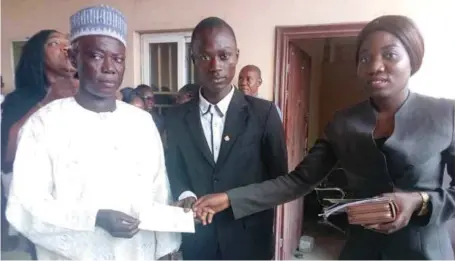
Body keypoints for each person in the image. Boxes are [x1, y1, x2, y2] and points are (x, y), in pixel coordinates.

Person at [194, 15, 455, 260]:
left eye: (390, 55)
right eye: (365, 58)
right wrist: (230, 198)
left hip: (426, 252)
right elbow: (296, 182)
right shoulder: (343, 123)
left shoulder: (445, 114)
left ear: (413, 59)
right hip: (361, 252)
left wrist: (421, 202)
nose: (375, 66)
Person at [6, 5, 180, 260]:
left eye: (118, 58)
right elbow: (25, 206)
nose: (109, 67)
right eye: (97, 56)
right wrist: (94, 219)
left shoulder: (142, 123)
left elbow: (159, 192)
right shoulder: (44, 125)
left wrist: (167, 249)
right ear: (74, 57)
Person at [165, 17, 288, 260]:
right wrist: (185, 196)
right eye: (204, 57)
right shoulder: (176, 118)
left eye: (224, 56)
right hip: (198, 241)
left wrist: (232, 200)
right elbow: (174, 169)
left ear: (236, 56)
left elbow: (280, 184)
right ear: (193, 61)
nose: (215, 66)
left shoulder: (264, 114)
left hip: (248, 241)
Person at [1, 29, 78, 256]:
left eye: (69, 43)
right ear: (37, 55)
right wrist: (48, 101)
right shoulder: (20, 100)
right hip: (43, 206)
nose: (66, 48)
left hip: (81, 199)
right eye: (54, 43)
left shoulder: (89, 93)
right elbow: (7, 155)